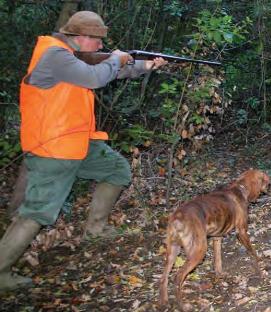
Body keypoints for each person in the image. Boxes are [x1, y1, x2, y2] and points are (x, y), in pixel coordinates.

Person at [0, 11, 167, 292]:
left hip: (76, 143)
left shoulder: (71, 56)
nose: (101, 47)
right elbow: (95, 77)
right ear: (80, 37)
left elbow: (112, 69)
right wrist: (116, 57)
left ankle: (95, 229)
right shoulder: (55, 56)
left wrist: (146, 65)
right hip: (52, 149)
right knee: (37, 214)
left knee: (116, 170)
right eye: (97, 41)